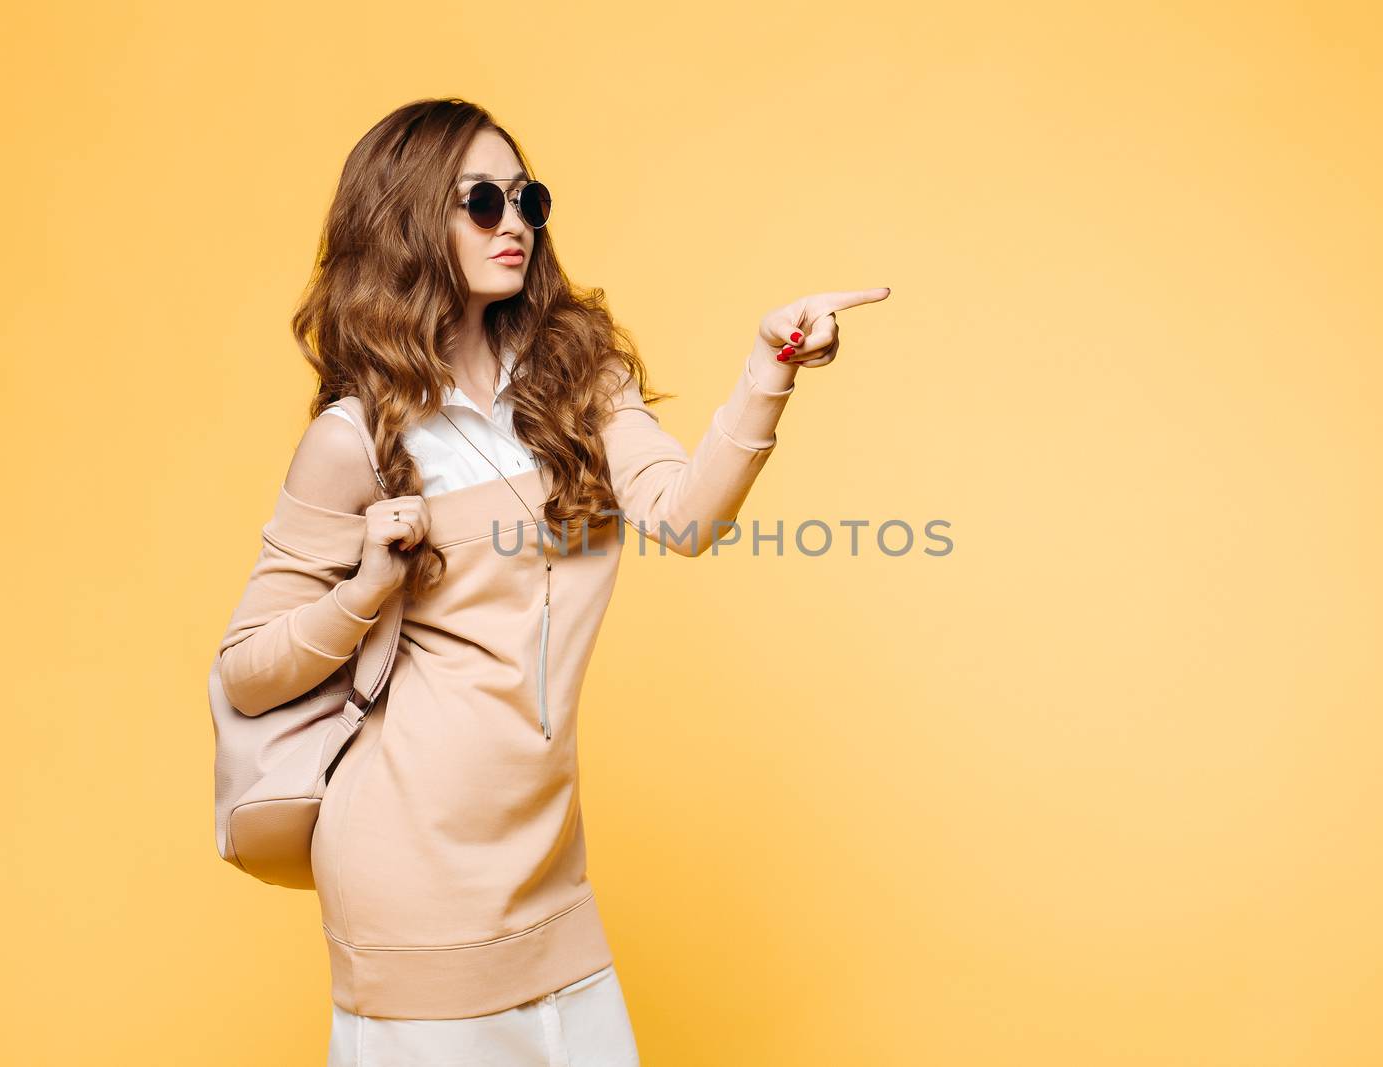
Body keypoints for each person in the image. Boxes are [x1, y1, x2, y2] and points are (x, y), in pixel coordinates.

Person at [214, 96, 889, 1066]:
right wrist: (365, 583)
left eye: (527, 199)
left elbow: (684, 516)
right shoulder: (354, 437)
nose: (515, 224)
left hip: (551, 879)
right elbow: (246, 668)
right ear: (405, 221)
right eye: (480, 202)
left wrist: (767, 365)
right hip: (408, 885)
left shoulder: (572, 374)